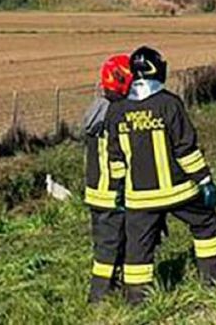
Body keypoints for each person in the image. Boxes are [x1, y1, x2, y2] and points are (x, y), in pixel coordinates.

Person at [106, 46, 216, 304]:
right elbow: (186, 149)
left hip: (139, 198)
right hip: (179, 191)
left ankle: (137, 300)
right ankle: (214, 280)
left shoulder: (116, 111)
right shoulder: (169, 104)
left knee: (138, 248)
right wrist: (205, 180)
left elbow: (115, 157)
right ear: (157, 70)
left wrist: (118, 189)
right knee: (206, 225)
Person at [83, 54, 132, 303]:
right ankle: (99, 296)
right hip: (112, 191)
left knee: (108, 243)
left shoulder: (97, 109)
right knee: (109, 246)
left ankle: (109, 287)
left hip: (96, 190)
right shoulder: (117, 112)